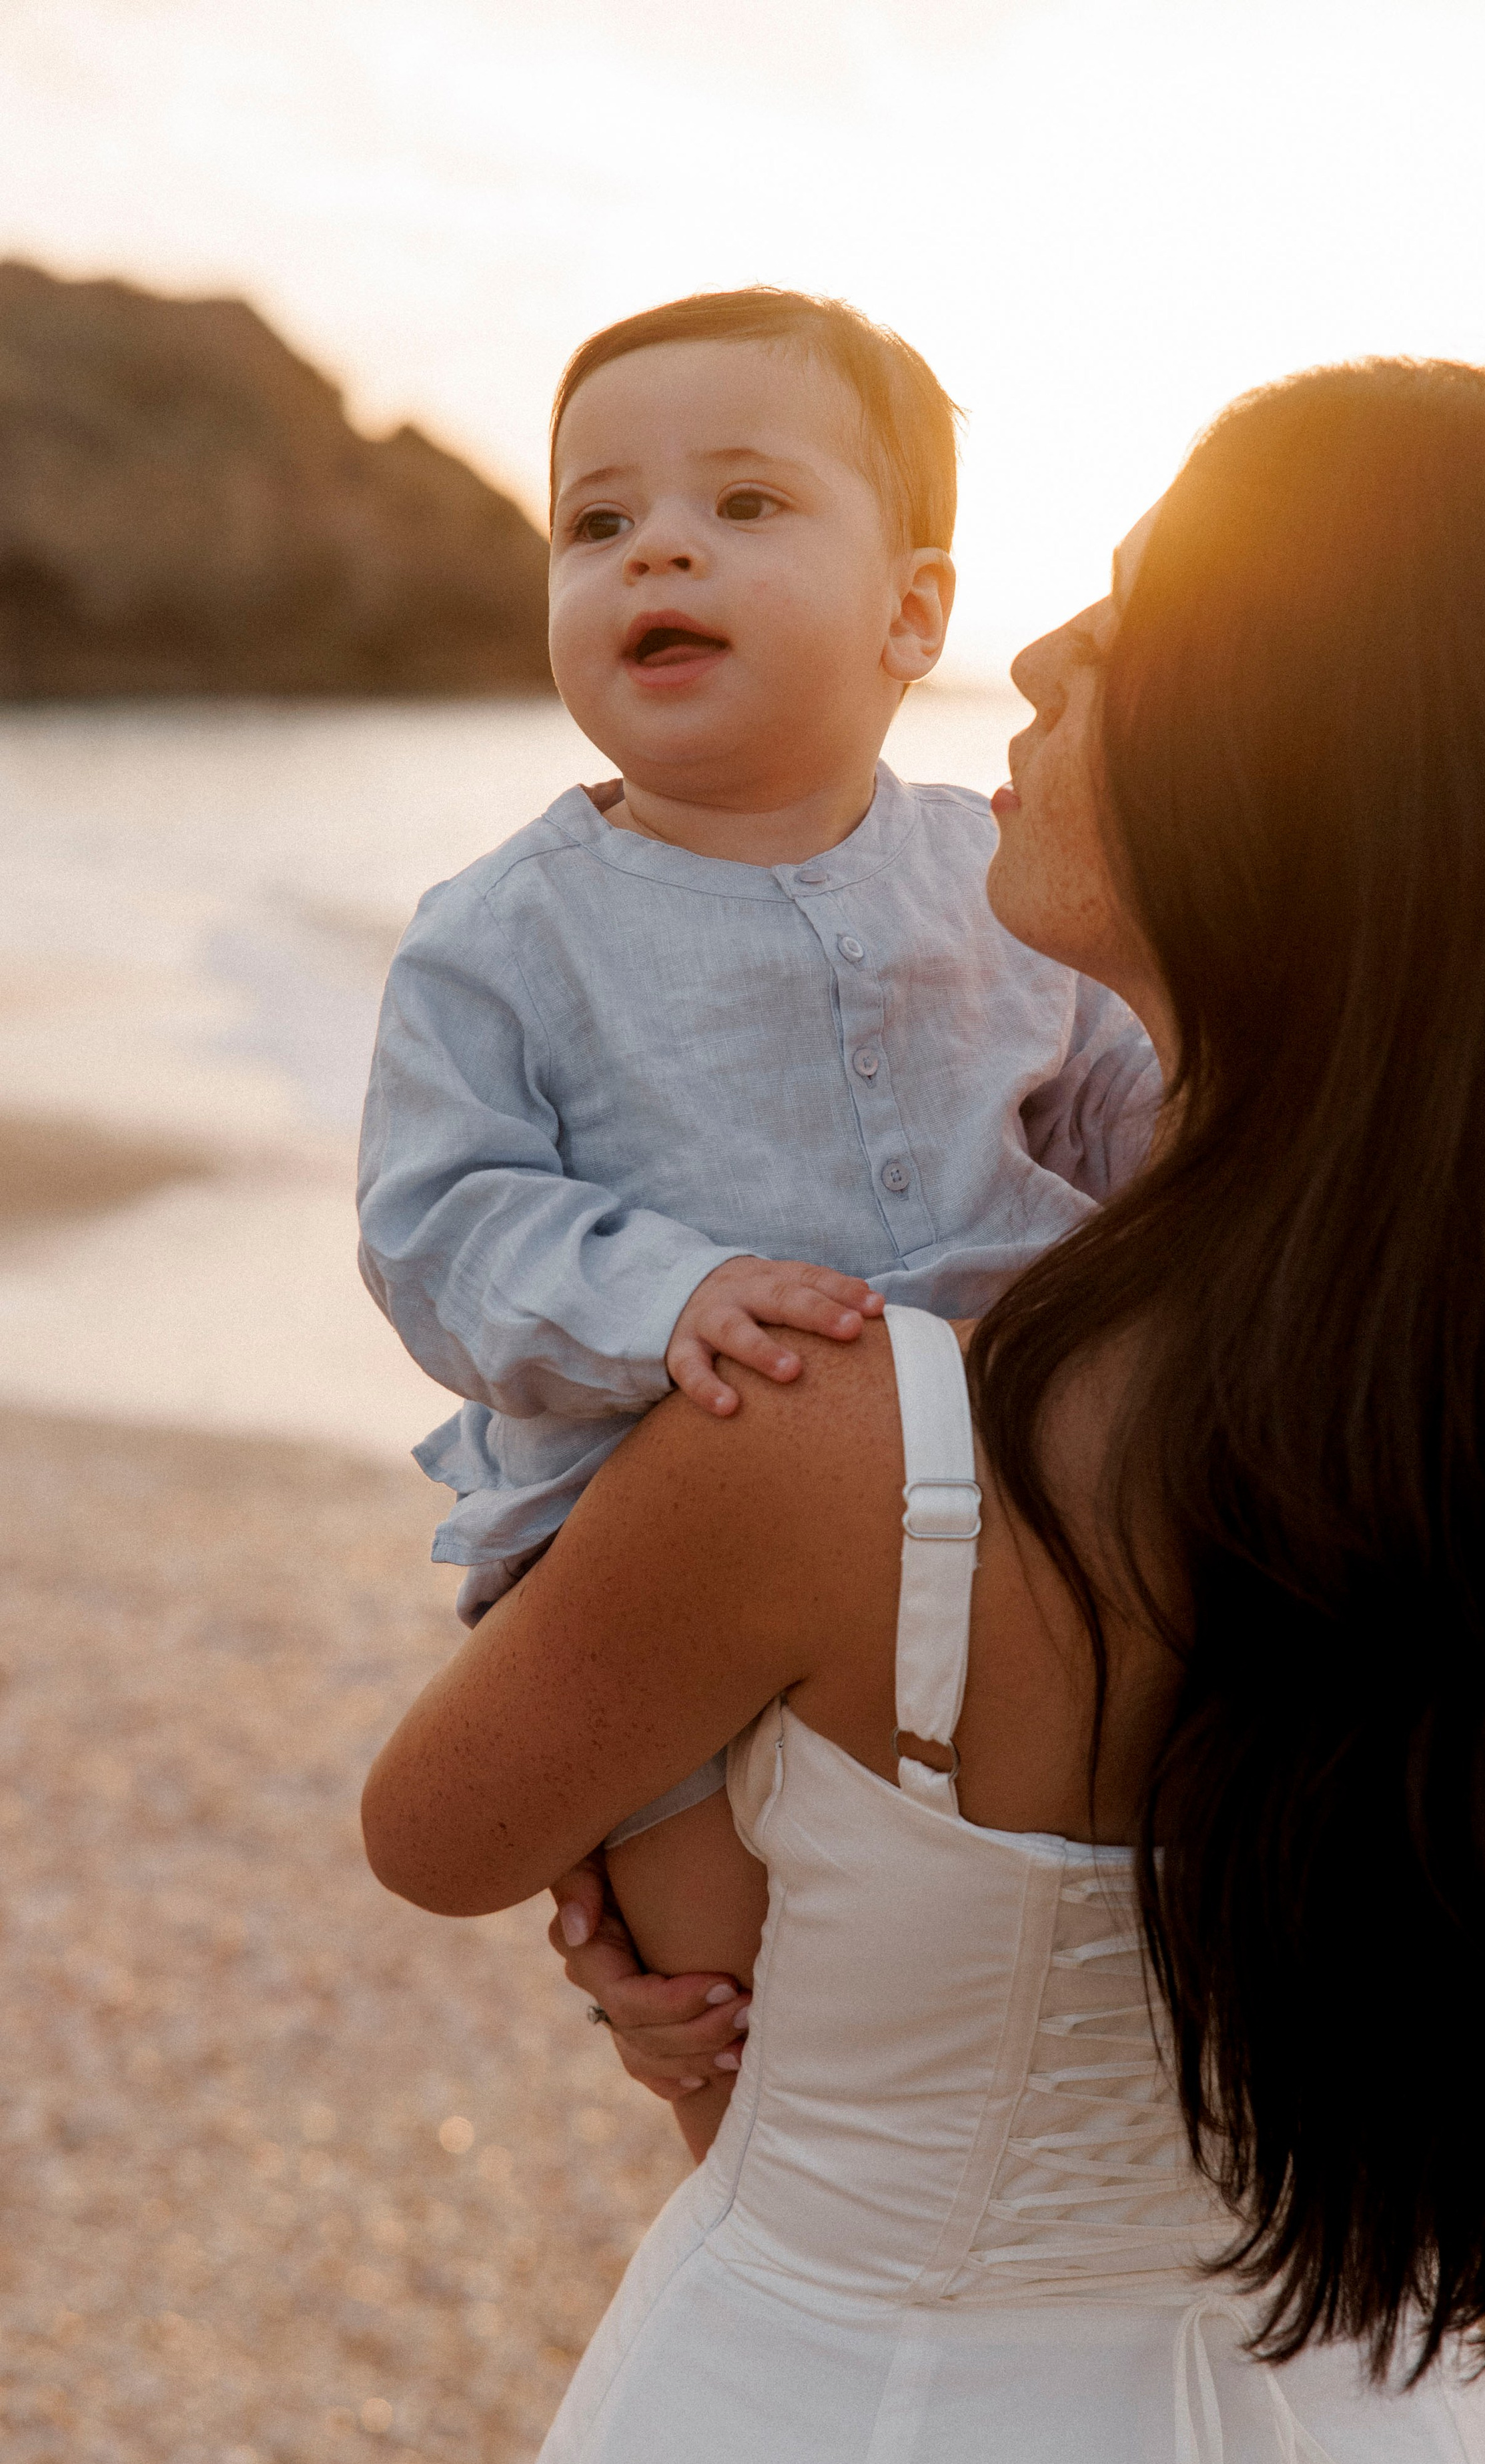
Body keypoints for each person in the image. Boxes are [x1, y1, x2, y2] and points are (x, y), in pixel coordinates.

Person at [363, 358, 1485, 2464]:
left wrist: (719, 1981)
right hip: (1370, 2463)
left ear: (1326, 767)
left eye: (1145, 609)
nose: (1054, 653)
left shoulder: (828, 1431)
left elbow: (435, 1827)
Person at [355, 290, 1158, 2144]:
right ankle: (782, 2221)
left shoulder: (996, 866)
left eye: (745, 503)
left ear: (915, 615)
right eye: (599, 522)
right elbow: (444, 1221)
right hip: (660, 1497)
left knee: (1050, 1932)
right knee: (741, 2016)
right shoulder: (505, 932)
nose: (662, 548)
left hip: (1012, 1466)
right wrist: (668, 1294)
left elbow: (1124, 1104)